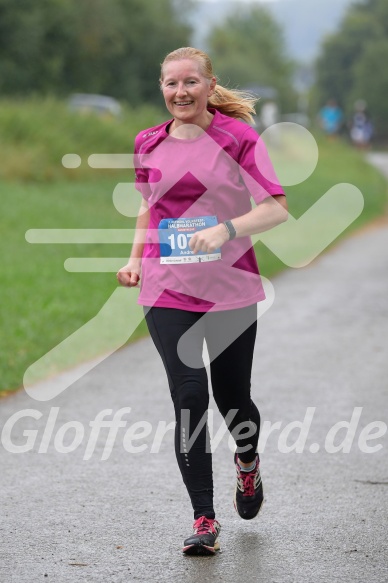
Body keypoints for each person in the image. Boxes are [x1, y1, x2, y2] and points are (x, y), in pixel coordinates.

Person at [117, 47, 288, 555]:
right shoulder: (147, 142)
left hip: (231, 289)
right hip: (167, 289)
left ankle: (248, 462)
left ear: (210, 87)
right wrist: (134, 260)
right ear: (162, 88)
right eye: (171, 84)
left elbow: (275, 209)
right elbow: (149, 209)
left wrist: (226, 229)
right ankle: (205, 520)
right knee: (189, 397)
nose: (180, 92)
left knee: (232, 398)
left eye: (190, 82)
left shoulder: (239, 139)